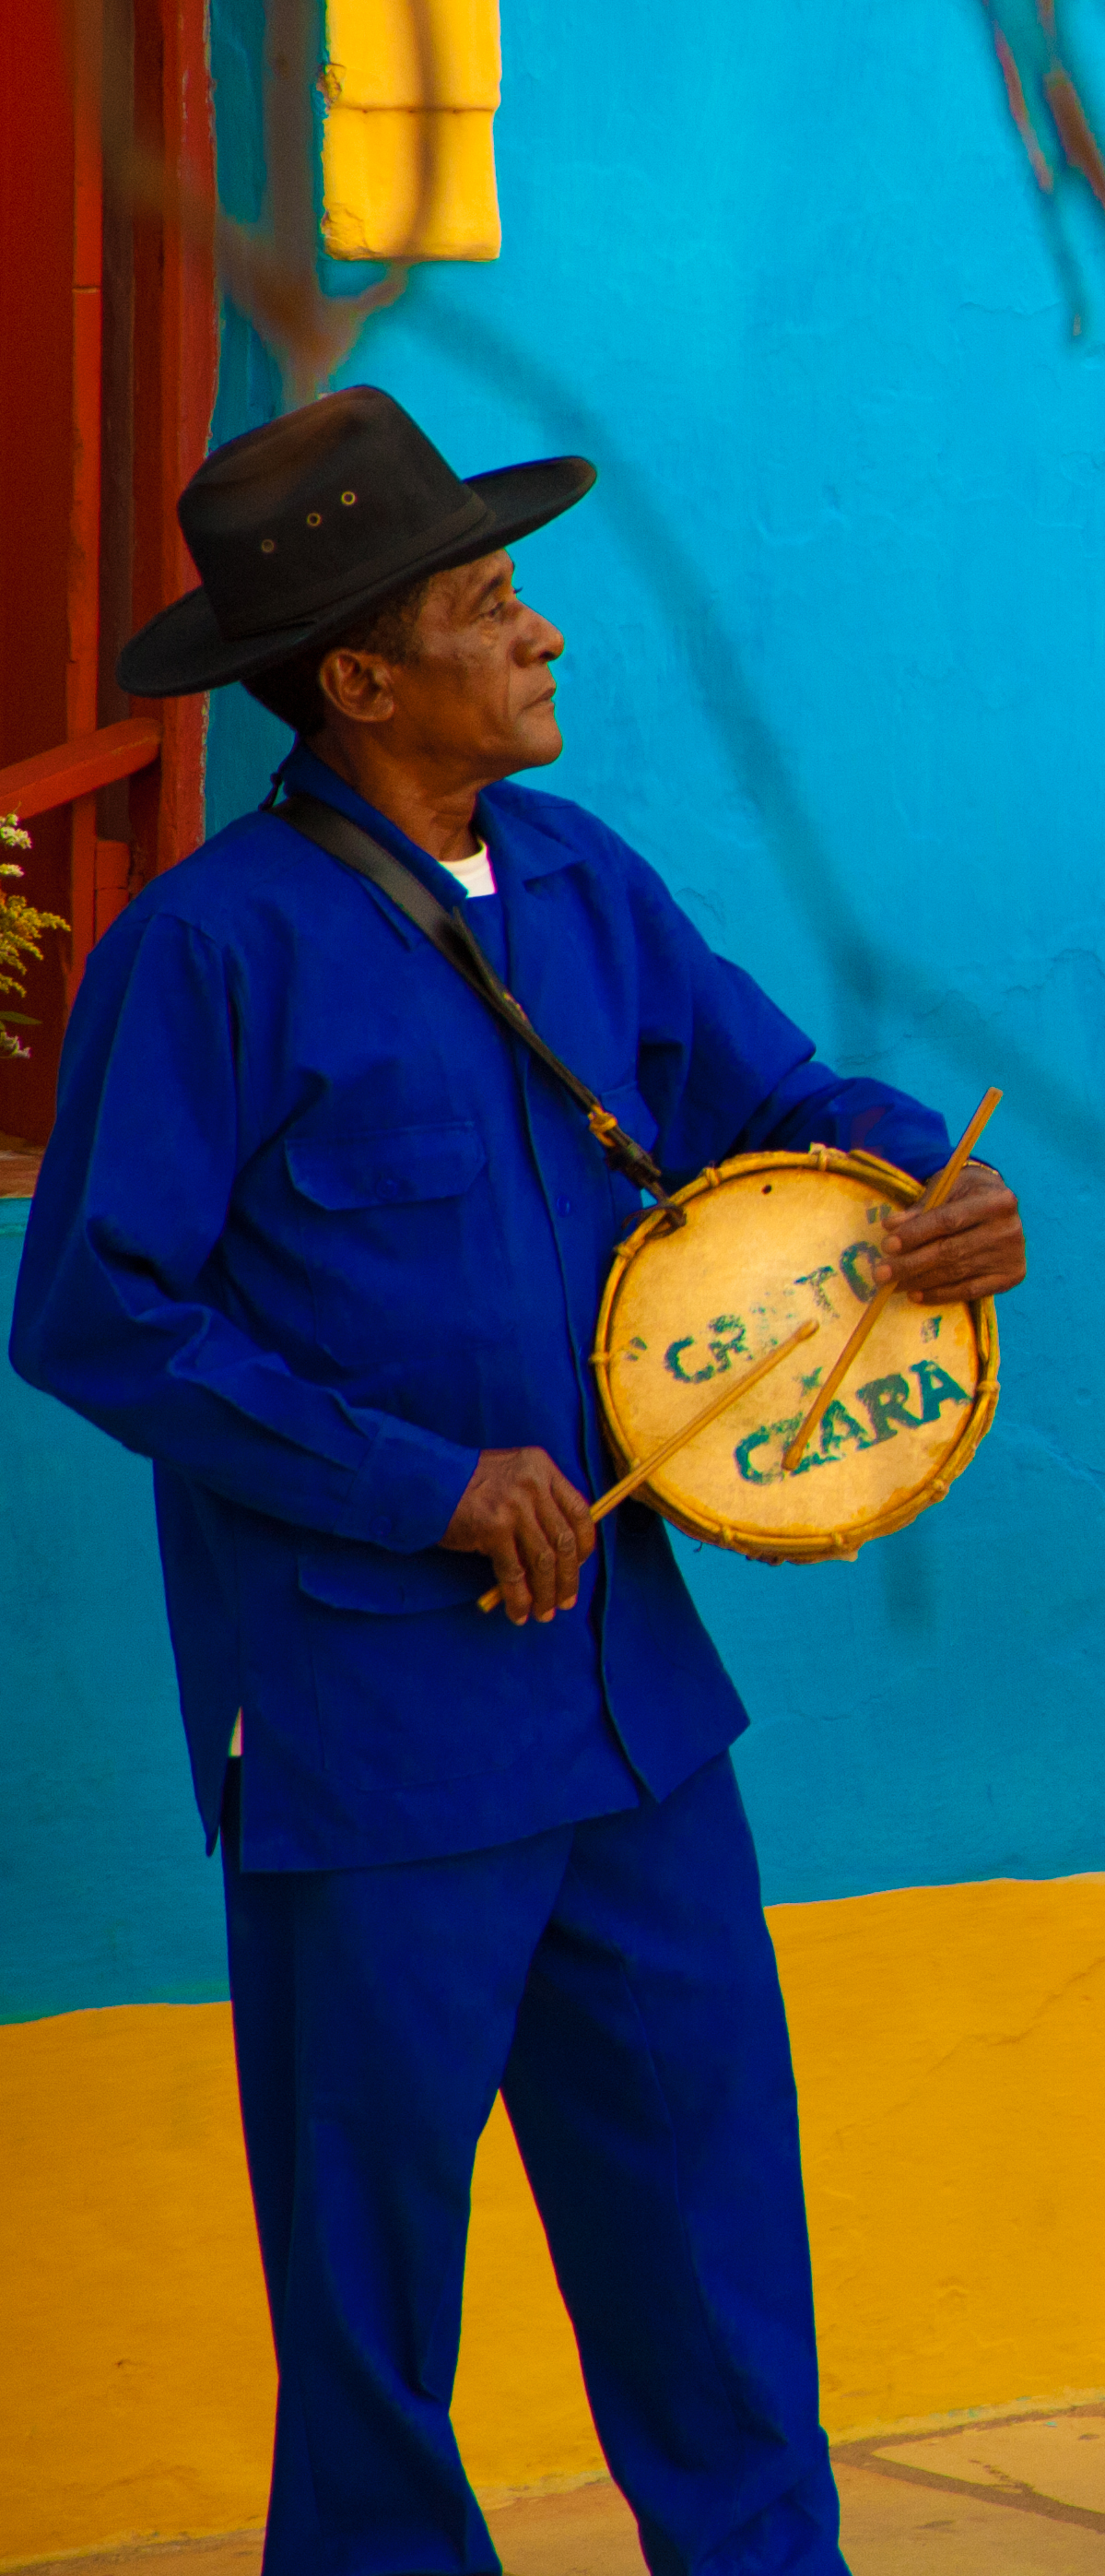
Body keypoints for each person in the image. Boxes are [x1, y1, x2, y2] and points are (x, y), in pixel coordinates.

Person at [10, 388, 1029, 2576]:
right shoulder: (209, 947)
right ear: (363, 682)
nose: (540, 631)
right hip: (370, 1728)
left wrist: (914, 1184)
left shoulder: (585, 878)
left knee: (713, 2229)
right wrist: (421, 1483)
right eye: (488, 604)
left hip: (634, 1712)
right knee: (375, 2292)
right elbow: (101, 1315)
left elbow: (772, 1097)